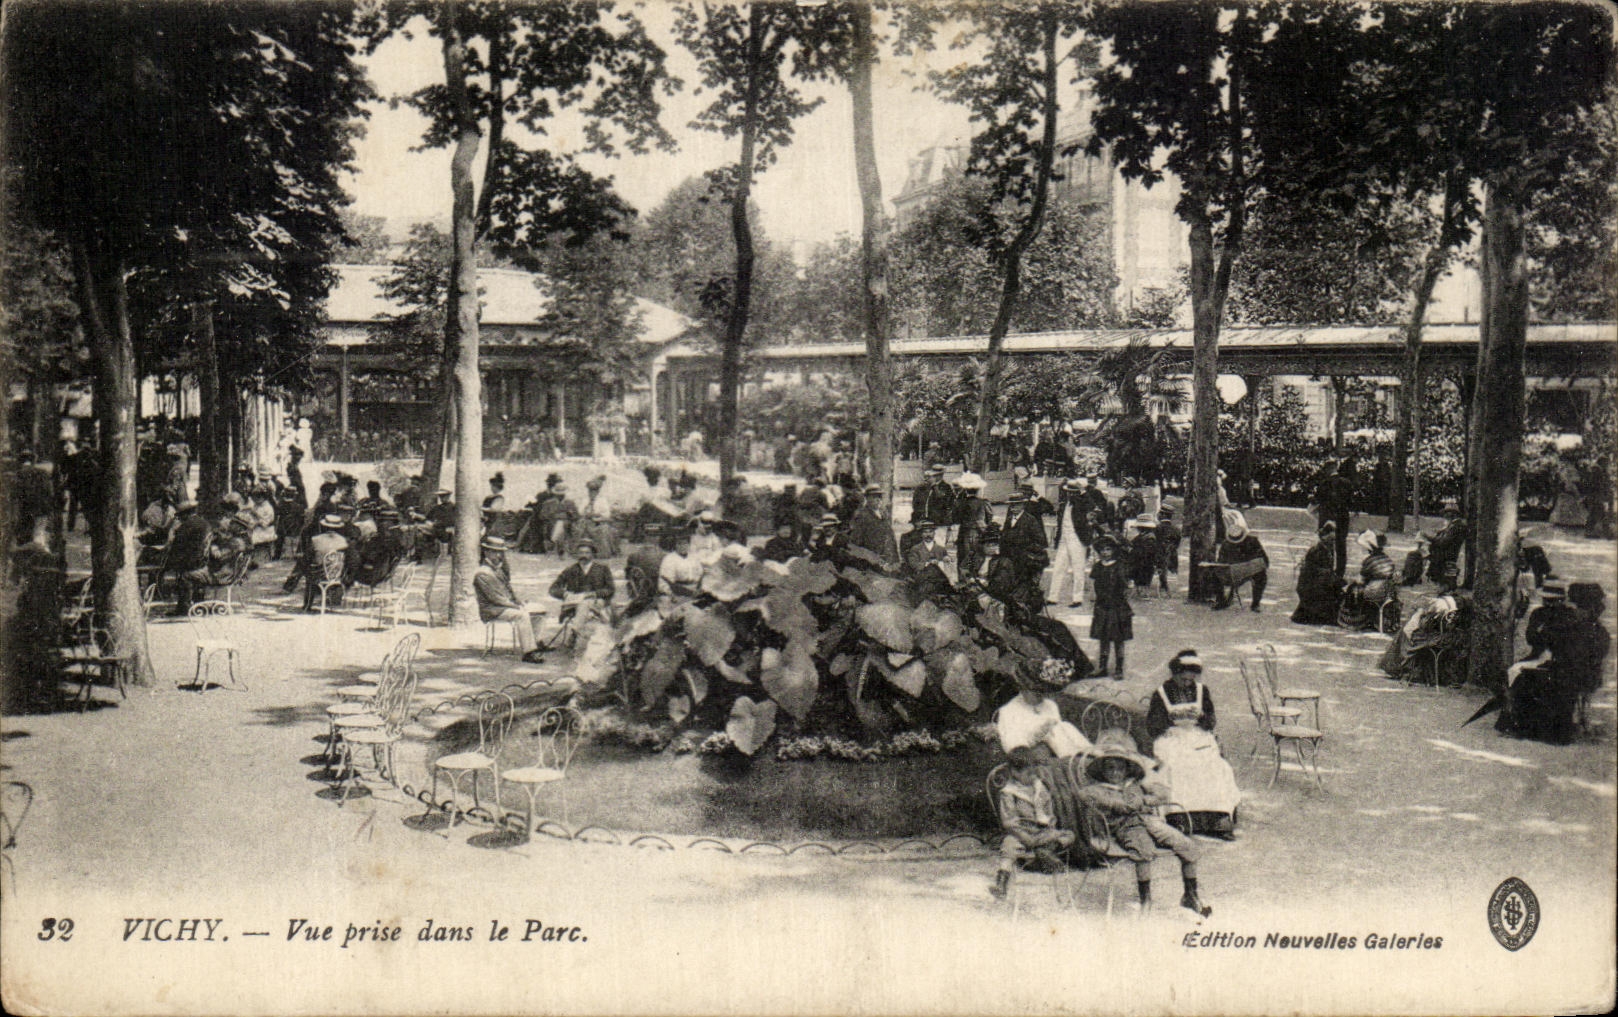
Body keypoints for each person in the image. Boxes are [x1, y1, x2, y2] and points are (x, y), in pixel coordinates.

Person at [1077, 731, 1213, 916]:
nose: (1115, 773)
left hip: (1151, 821)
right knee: (1143, 850)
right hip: (1126, 826)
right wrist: (1116, 803)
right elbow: (1084, 796)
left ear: (1126, 770)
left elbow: (1164, 794)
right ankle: (1146, 900)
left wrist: (1147, 800)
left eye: (1120, 768)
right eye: (1110, 768)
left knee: (1185, 845)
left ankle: (1191, 894)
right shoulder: (1098, 789)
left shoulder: (1135, 784)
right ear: (1103, 771)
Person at [1144, 650, 1240, 839]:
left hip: (1198, 735)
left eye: (1191, 680)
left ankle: (1217, 818)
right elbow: (1152, 726)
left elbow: (1211, 721)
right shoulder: (1161, 693)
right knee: (1177, 766)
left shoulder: (1201, 691)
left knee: (1215, 766)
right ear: (1175, 675)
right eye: (1183, 680)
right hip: (1171, 737)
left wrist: (1202, 717)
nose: (1187, 684)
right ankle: (1179, 817)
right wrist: (1168, 719)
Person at [990, 746, 1078, 900]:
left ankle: (1044, 854)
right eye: (1028, 773)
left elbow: (1049, 811)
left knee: (1069, 835)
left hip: (1042, 831)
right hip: (1022, 833)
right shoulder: (1009, 792)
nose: (1033, 777)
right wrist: (1025, 837)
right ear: (1015, 773)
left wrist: (1050, 826)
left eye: (1035, 772)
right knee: (1008, 847)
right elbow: (1009, 822)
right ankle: (1002, 881)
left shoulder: (1039, 787)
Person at [994, 663, 1091, 761]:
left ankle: (1087, 755)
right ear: (1022, 689)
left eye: (1043, 692)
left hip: (1061, 753)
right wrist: (1038, 738)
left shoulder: (1050, 705)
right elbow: (1015, 747)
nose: (1041, 696)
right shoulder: (1009, 711)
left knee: (1065, 727)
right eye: (1036, 693)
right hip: (1034, 758)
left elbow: (1062, 734)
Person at [472, 536, 547, 663]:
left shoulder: (498, 569)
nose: (499, 555)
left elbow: (509, 589)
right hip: (492, 609)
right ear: (486, 552)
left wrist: (518, 601)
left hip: (505, 605)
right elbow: (495, 598)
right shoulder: (483, 573)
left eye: (500, 552)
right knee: (521, 615)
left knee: (540, 611)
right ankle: (528, 652)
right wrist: (515, 606)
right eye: (495, 552)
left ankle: (536, 642)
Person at [1089, 534, 1132, 679]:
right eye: (1102, 550)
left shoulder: (1119, 566)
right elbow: (1092, 582)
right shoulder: (1097, 566)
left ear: (1113, 551)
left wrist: (1123, 597)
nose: (1105, 552)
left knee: (1118, 639)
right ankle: (1102, 667)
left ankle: (1119, 668)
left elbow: (1125, 585)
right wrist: (1093, 596)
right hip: (1102, 606)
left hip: (1117, 607)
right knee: (1103, 638)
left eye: (1108, 549)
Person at [998, 488, 1050, 607]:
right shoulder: (1009, 519)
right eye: (1011, 505)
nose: (1013, 508)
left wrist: (1026, 550)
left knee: (1024, 590)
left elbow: (1040, 541)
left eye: (1016, 505)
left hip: (1024, 560)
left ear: (1022, 505)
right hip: (1010, 559)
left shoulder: (1030, 520)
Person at [1212, 511, 1268, 612]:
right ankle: (1220, 599)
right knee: (1213, 572)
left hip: (1248, 572)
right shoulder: (1226, 544)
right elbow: (1221, 561)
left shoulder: (1253, 542)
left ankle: (1256, 603)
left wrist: (1252, 565)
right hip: (1231, 573)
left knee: (1261, 575)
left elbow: (1265, 562)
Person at [1048, 477, 1090, 607]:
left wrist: (1083, 492)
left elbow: (1091, 505)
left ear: (1078, 493)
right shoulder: (1064, 505)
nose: (1070, 494)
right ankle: (1052, 597)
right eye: (1069, 492)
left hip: (1077, 539)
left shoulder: (1082, 503)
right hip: (1064, 540)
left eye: (1073, 492)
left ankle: (1077, 598)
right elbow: (1061, 523)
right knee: (1058, 567)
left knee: (1078, 568)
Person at [1290, 522, 1342, 625]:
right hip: (1311, 583)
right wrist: (1329, 575)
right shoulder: (1316, 550)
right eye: (1331, 539)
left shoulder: (1327, 549)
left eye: (1333, 540)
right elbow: (1311, 570)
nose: (1332, 542)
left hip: (1319, 579)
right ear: (1324, 537)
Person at [301, 514, 350, 612]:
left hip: (320, 573)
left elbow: (308, 557)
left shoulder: (315, 539)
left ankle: (308, 604)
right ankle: (335, 598)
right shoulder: (343, 540)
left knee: (307, 569)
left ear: (324, 526)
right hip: (338, 573)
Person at [847, 484, 899, 570]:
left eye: (880, 497)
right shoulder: (862, 516)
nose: (878, 500)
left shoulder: (884, 514)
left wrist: (895, 560)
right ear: (867, 499)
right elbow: (856, 543)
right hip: (870, 562)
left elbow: (891, 537)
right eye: (874, 497)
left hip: (887, 560)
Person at [953, 472, 991, 584]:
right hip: (978, 533)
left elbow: (955, 518)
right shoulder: (983, 503)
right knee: (977, 556)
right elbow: (988, 518)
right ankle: (975, 579)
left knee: (963, 556)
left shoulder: (959, 503)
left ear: (965, 489)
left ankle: (964, 581)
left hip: (964, 532)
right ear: (978, 489)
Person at [1320, 459, 1355, 578]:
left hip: (1328, 517)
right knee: (1341, 546)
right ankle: (1340, 572)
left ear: (1328, 469)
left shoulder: (1324, 483)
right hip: (1342, 518)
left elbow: (1319, 500)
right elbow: (1351, 501)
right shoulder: (1347, 483)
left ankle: (1328, 570)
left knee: (1327, 545)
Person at [1425, 500, 1466, 592]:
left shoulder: (1455, 526)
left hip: (1447, 554)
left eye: (1447, 513)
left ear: (1453, 514)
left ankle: (1442, 584)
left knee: (1429, 555)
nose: (1445, 516)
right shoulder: (1453, 525)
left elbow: (1444, 542)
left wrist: (1430, 538)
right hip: (1448, 552)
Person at [657, 527, 704, 598]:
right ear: (675, 545)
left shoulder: (694, 557)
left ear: (689, 544)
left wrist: (699, 589)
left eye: (685, 543)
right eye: (679, 544)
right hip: (678, 593)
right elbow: (665, 582)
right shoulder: (669, 559)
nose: (682, 546)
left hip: (695, 590)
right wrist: (671, 594)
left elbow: (700, 574)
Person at [911, 464, 955, 533]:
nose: (933, 477)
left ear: (941, 475)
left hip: (939, 522)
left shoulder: (946, 487)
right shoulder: (923, 487)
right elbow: (916, 504)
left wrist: (934, 485)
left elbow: (943, 501)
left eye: (936, 475)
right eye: (933, 475)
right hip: (923, 521)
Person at [1128, 513, 1159, 589]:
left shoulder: (1150, 538)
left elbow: (1147, 553)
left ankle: (1137, 585)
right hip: (1140, 561)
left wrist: (1133, 551)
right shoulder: (1142, 536)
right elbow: (1132, 543)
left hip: (1145, 563)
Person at [1154, 506, 1181, 593]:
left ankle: (1163, 585)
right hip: (1172, 553)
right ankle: (1166, 586)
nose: (1158, 515)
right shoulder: (1176, 529)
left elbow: (1155, 541)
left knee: (1161, 568)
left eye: (1160, 513)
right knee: (1169, 569)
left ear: (1163, 515)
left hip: (1159, 553)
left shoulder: (1157, 528)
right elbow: (1177, 543)